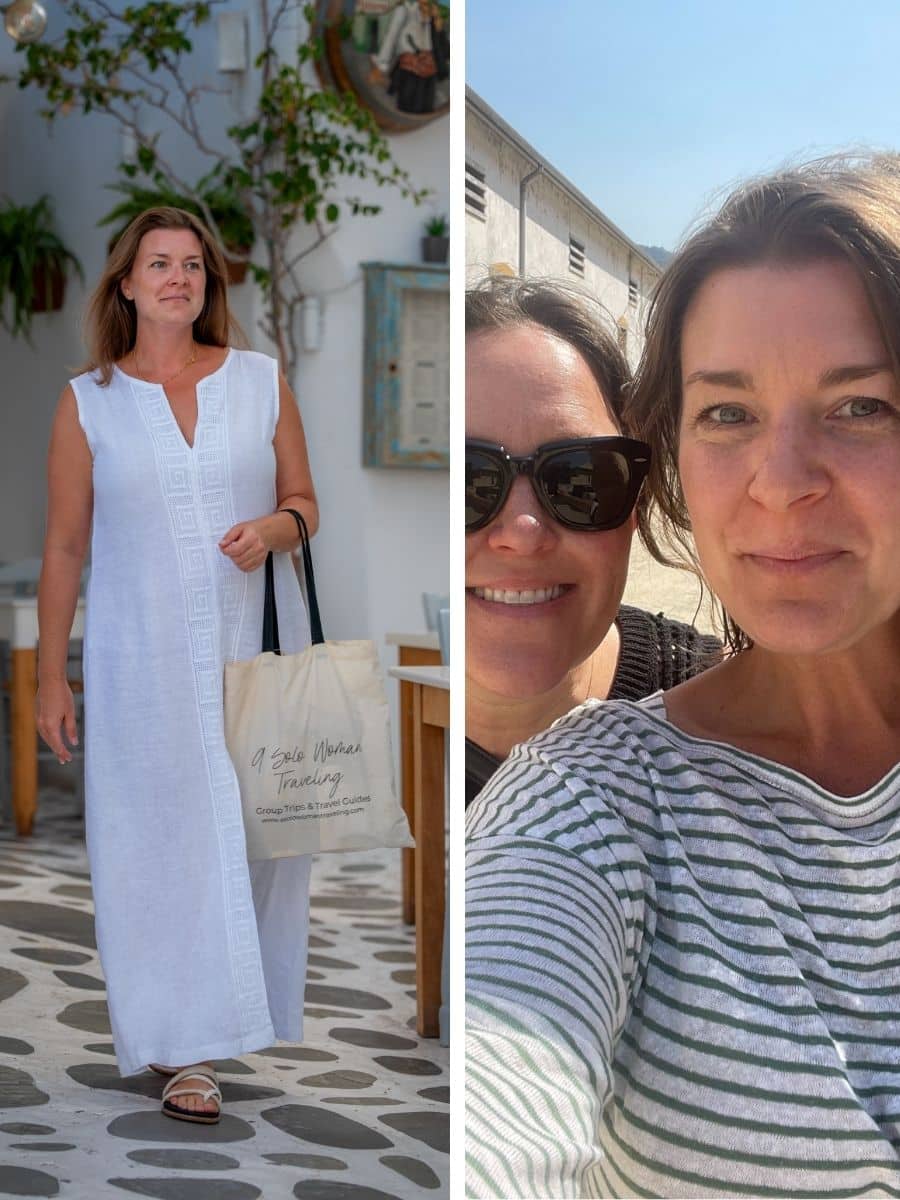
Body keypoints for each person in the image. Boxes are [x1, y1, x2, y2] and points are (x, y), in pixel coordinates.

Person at [466, 156, 900, 1197]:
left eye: (861, 405)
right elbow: (501, 1078)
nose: (782, 482)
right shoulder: (592, 800)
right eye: (727, 413)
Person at [36, 207, 318, 1124]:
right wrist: (51, 675)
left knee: (251, 842)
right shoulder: (90, 403)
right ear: (126, 283)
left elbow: (305, 503)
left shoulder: (259, 381)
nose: (177, 279)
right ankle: (182, 1047)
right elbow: (65, 549)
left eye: (192, 265)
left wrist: (273, 529)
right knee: (152, 845)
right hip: (140, 663)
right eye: (158, 264)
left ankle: (214, 1020)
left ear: (208, 283)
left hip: (250, 655)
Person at [465, 276, 719, 807]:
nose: (523, 532)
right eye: (469, 482)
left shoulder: (730, 721)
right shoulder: (366, 744)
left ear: (636, 503)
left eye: (580, 477)